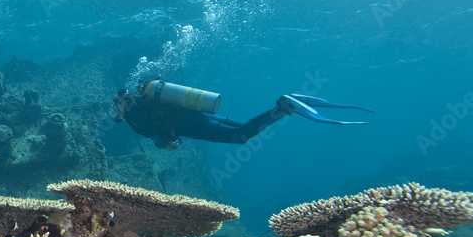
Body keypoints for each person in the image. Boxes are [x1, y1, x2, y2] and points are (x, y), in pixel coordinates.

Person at [113, 80, 372, 150]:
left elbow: (156, 137)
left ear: (120, 105)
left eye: (117, 110)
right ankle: (281, 108)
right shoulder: (146, 97)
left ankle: (282, 108)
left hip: (189, 124)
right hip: (194, 114)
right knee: (241, 127)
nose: (118, 114)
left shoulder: (134, 116)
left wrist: (167, 145)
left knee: (240, 138)